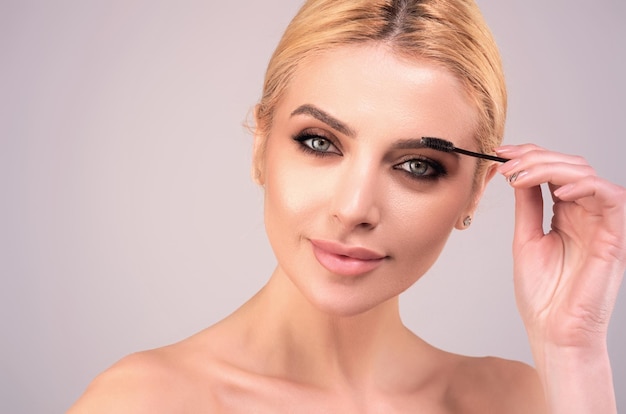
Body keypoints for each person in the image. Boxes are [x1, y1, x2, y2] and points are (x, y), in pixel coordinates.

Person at [68, 0, 625, 412]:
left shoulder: (522, 399)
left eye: (416, 166)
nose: (355, 207)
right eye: (319, 143)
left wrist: (572, 349)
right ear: (261, 144)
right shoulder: (143, 401)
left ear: (475, 191)